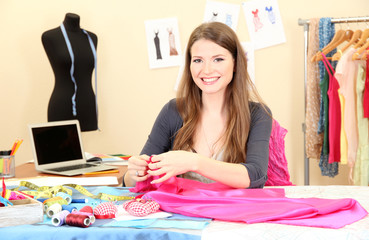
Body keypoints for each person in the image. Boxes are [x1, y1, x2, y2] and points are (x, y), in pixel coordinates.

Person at [124, 22, 272, 189]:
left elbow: (256, 176)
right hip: (181, 213)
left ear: (236, 63)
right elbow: (131, 182)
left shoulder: (258, 114)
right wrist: (134, 173)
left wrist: (194, 162)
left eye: (218, 59)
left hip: (233, 214)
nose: (207, 70)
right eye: (198, 60)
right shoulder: (173, 111)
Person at [42, 13, 98, 131]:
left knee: (81, 147)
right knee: (62, 146)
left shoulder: (92, 38)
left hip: (87, 102)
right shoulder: (50, 36)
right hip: (63, 104)